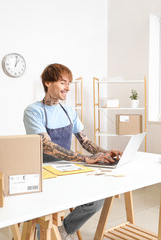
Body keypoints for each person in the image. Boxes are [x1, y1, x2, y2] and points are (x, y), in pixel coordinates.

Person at [23, 63, 122, 240]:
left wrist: (106, 152)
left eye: (68, 83)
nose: (67, 88)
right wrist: (84, 159)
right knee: (47, 206)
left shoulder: (69, 111)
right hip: (43, 169)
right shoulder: (34, 111)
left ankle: (63, 231)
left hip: (68, 167)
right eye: (63, 83)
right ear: (47, 83)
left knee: (97, 197)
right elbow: (47, 146)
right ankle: (40, 233)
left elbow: (85, 141)